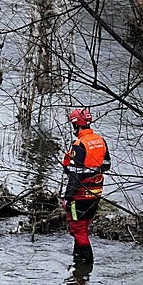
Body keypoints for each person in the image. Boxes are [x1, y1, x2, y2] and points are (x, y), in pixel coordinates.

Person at [62, 108, 111, 265]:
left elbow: (75, 176)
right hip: (96, 191)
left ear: (76, 125)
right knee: (84, 225)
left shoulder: (79, 144)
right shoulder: (100, 140)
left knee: (78, 228)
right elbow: (106, 165)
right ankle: (78, 260)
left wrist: (67, 198)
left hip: (80, 193)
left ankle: (85, 265)